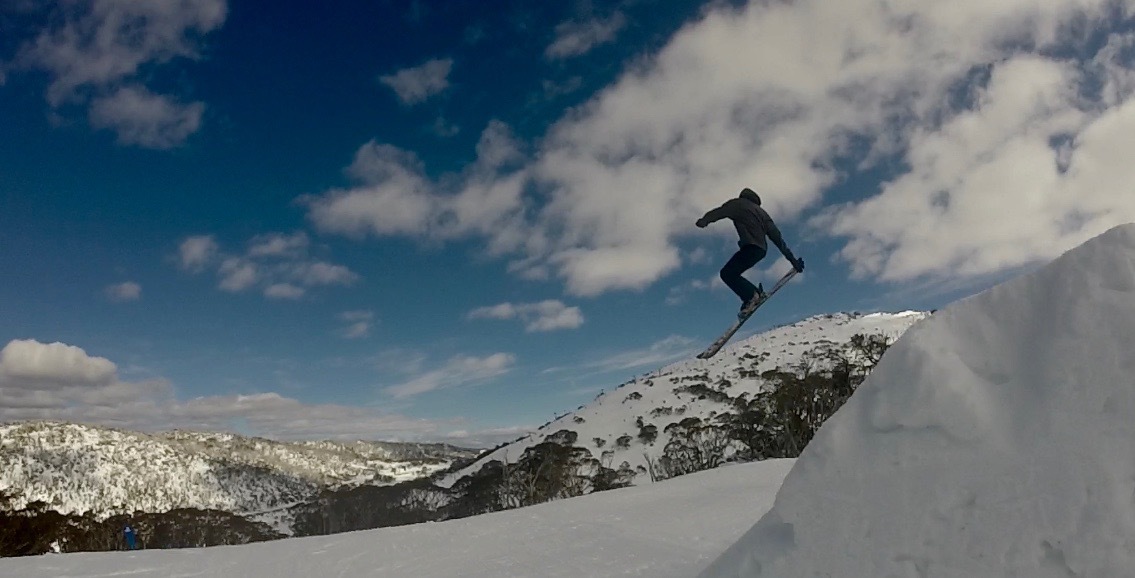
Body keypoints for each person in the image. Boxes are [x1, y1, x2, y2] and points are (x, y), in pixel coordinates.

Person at [696, 188, 804, 318]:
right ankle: (751, 296)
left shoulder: (737, 204)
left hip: (751, 247)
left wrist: (705, 220)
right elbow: (777, 239)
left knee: (727, 273)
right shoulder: (763, 214)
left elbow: (719, 212)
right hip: (761, 250)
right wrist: (793, 261)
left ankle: (752, 296)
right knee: (731, 273)